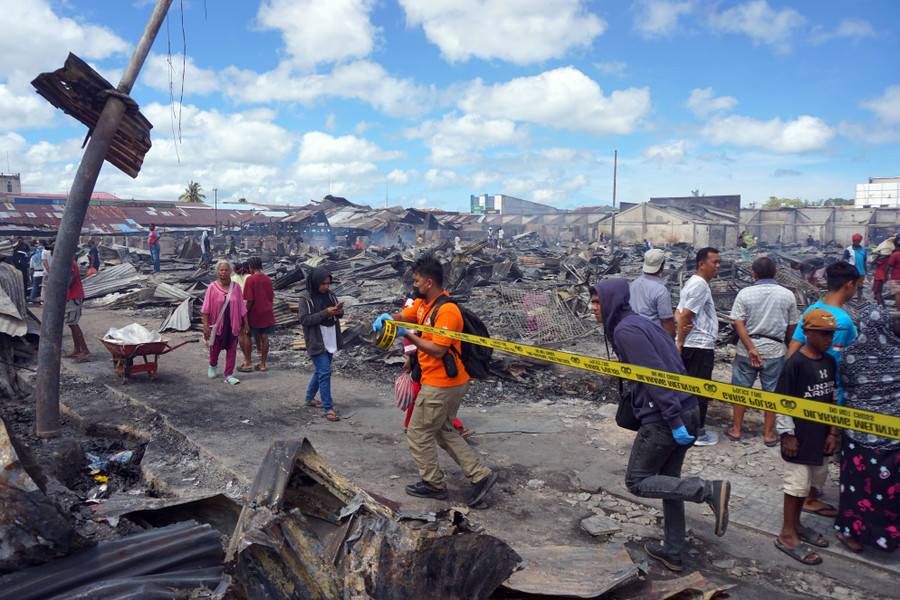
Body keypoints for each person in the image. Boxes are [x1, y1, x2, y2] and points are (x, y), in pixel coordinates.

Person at [591, 279, 731, 572]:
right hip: (686, 408)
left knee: (637, 481)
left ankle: (706, 491)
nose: (593, 308)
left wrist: (671, 416)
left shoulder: (626, 330)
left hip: (667, 417)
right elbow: (673, 363)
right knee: (669, 484)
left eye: (596, 302)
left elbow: (655, 375)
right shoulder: (642, 323)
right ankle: (674, 552)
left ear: (611, 302)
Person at [372, 254, 498, 506]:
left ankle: (434, 484)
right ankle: (480, 475)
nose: (414, 285)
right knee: (443, 432)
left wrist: (407, 334)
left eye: (417, 281)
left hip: (442, 384)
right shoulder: (424, 304)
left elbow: (438, 349)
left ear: (429, 283)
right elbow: (407, 316)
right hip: (442, 381)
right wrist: (390, 318)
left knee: (417, 433)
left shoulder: (447, 311)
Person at [786, 260, 859, 517]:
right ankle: (810, 496)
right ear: (850, 285)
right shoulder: (843, 322)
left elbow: (794, 347)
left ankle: (809, 493)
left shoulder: (813, 309)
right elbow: (845, 363)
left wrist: (792, 377)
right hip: (830, 389)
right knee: (822, 445)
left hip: (806, 388)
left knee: (811, 441)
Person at [774, 308, 841, 565]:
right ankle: (787, 533)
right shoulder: (795, 363)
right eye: (824, 334)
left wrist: (833, 431)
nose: (829, 339)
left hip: (820, 435)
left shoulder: (829, 361)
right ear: (808, 333)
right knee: (796, 485)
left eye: (832, 334)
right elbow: (781, 402)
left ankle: (798, 525)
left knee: (810, 483)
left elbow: (832, 397)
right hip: (799, 437)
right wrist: (787, 434)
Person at [834, 307, 900, 553]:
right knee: (887, 489)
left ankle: (852, 535)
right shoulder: (898, 353)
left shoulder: (850, 355)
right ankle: (886, 536)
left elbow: (846, 384)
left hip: (857, 434)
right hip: (892, 436)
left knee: (856, 486)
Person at [724, 256, 800, 445]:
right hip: (775, 351)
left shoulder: (745, 294)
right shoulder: (787, 295)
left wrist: (751, 348)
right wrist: (791, 348)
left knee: (741, 391)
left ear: (754, 274)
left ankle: (736, 429)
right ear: (775, 272)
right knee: (771, 394)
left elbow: (738, 322)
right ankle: (768, 434)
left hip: (746, 351)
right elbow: (792, 327)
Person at [676, 247, 721, 446]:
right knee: (700, 391)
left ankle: (687, 427)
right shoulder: (700, 285)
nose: (718, 266)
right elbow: (684, 315)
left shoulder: (691, 283)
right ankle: (697, 432)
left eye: (719, 262)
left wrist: (681, 332)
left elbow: (678, 313)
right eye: (714, 262)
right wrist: (679, 342)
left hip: (693, 344)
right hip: (699, 346)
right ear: (701, 264)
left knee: (690, 388)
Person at [299, 268, 344, 421]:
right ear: (315, 282)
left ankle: (310, 397)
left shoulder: (331, 295)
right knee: (324, 372)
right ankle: (328, 408)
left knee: (321, 371)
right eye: (323, 284)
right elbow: (304, 319)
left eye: (328, 283)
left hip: (330, 338)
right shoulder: (306, 297)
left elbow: (338, 313)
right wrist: (326, 312)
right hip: (316, 339)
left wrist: (338, 311)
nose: (326, 287)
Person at [201, 261, 249, 385]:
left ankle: (228, 374)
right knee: (215, 348)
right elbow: (205, 309)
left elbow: (241, 307)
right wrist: (205, 326)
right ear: (217, 272)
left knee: (232, 349)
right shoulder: (212, 287)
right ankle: (212, 365)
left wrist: (246, 323)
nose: (224, 272)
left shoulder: (236, 287)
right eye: (221, 270)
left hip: (233, 324)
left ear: (231, 271)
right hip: (217, 325)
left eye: (226, 270)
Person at [629, 248, 675, 340]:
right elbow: (667, 321)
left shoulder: (633, 284)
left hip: (632, 334)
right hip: (652, 338)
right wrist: (670, 345)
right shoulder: (661, 290)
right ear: (662, 267)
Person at [243, 257, 275, 372]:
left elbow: (249, 300)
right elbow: (271, 296)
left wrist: (244, 312)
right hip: (267, 311)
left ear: (250, 267)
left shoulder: (250, 280)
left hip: (254, 312)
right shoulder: (267, 279)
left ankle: (248, 363)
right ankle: (262, 364)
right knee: (265, 337)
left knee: (247, 334)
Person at [63, 261, 90, 362]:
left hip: (73, 296)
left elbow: (73, 276)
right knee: (71, 323)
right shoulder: (67, 260)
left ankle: (85, 350)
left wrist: (64, 289)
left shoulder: (68, 260)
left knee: (73, 323)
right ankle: (77, 349)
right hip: (72, 296)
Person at [843, 233, 867, 301]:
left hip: (861, 272)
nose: (856, 242)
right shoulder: (849, 250)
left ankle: (859, 301)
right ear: (852, 241)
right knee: (850, 286)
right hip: (852, 272)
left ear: (859, 242)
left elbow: (864, 261)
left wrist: (866, 272)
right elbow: (843, 259)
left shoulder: (863, 250)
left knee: (859, 287)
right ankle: (848, 300)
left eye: (857, 241)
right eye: (854, 241)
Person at [885, 236, 900, 309]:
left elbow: (888, 266)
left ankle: (898, 310)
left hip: (896, 277)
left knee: (897, 294)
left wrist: (885, 276)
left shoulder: (894, 255)